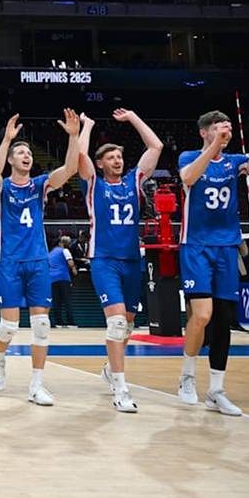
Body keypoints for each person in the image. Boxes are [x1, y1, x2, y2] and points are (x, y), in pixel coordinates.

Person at [175, 102, 249, 416]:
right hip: (196, 246)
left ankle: (216, 390)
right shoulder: (189, 156)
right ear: (204, 132)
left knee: (223, 318)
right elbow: (188, 177)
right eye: (216, 127)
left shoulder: (235, 161)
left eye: (226, 127)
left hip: (227, 248)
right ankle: (186, 377)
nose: (224, 131)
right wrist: (214, 146)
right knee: (202, 315)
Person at [0, 110, 81, 406]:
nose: (26, 155)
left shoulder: (39, 184)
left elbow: (70, 169)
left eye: (28, 152)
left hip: (38, 261)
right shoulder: (2, 188)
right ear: (11, 160)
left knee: (41, 325)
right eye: (21, 153)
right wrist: (7, 140)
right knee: (9, 327)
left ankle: (36, 385)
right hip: (10, 262)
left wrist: (74, 136)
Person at [76, 107, 164, 413]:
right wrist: (87, 126)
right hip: (104, 260)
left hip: (131, 261)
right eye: (111, 157)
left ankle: (110, 369)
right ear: (100, 163)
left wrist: (134, 117)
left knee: (126, 326)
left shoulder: (133, 181)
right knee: (115, 324)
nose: (117, 160)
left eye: (119, 156)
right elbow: (80, 156)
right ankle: (121, 388)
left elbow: (156, 146)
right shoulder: (94, 185)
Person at [48, 235, 77, 328]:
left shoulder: (50, 253)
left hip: (52, 279)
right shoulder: (65, 250)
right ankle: (71, 322)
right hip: (63, 278)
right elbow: (70, 263)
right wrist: (73, 269)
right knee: (67, 300)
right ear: (61, 243)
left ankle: (58, 322)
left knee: (56, 302)